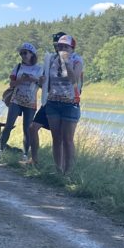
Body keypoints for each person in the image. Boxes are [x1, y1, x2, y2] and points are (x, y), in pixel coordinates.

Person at [43, 34, 83, 173]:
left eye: (66, 46)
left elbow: (74, 79)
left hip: (70, 103)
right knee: (56, 138)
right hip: (53, 102)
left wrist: (66, 62)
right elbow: (46, 82)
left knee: (67, 139)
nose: (62, 49)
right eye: (60, 46)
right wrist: (41, 81)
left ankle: (69, 171)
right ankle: (58, 169)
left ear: (72, 48)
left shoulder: (77, 60)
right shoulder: (52, 59)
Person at [0, 43, 43, 160]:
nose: (23, 55)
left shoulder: (39, 68)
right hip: (16, 100)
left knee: (27, 129)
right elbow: (11, 84)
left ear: (32, 54)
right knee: (8, 125)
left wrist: (34, 79)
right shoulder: (17, 67)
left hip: (30, 102)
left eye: (25, 53)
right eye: (21, 53)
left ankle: (25, 154)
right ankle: (0, 149)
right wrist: (21, 80)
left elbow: (43, 85)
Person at [28, 31, 67, 167]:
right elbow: (43, 83)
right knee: (33, 128)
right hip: (50, 101)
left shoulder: (72, 59)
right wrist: (41, 81)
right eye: (55, 45)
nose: (57, 47)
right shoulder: (50, 60)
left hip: (64, 103)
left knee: (59, 137)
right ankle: (34, 160)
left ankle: (61, 169)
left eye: (60, 45)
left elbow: (77, 83)